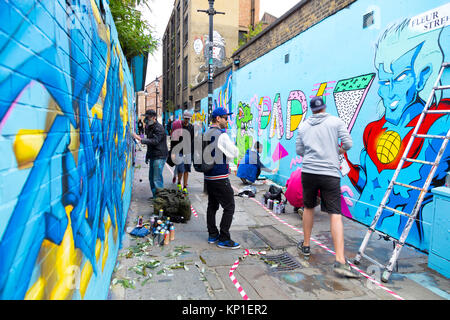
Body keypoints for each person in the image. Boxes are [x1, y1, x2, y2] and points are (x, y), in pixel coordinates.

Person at [296, 96, 358, 278]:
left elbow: (299, 151)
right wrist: (337, 151)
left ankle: (306, 245)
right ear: (324, 107)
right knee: (335, 214)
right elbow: (348, 144)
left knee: (308, 208)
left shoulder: (303, 126)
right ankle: (339, 260)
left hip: (308, 172)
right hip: (330, 173)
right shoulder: (335, 122)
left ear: (311, 109)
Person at [203, 107, 240, 249]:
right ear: (218, 118)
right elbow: (234, 152)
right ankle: (224, 238)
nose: (227, 120)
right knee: (229, 206)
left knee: (212, 205)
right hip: (219, 176)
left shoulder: (206, 132)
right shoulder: (221, 135)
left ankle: (212, 234)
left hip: (209, 176)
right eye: (225, 117)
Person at [133, 109, 168, 200]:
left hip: (160, 156)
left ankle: (160, 199)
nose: (146, 119)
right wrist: (148, 155)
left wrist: (140, 139)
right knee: (151, 178)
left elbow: (155, 141)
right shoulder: (149, 127)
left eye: (147, 117)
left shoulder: (159, 128)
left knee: (157, 178)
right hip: (153, 155)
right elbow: (150, 144)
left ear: (153, 118)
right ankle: (155, 196)